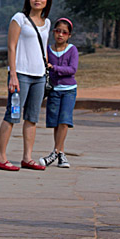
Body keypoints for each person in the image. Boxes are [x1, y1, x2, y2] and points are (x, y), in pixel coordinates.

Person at [0, 0, 52, 172]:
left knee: (32, 118)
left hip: (39, 77)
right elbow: (11, 47)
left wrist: (46, 66)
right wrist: (13, 75)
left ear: (47, 0)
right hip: (21, 76)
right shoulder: (20, 19)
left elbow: (43, 47)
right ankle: (1, 157)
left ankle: (27, 157)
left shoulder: (47, 23)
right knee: (13, 115)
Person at [39, 18, 78, 168]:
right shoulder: (48, 49)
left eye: (64, 32)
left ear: (69, 35)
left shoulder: (72, 50)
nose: (60, 35)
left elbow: (72, 69)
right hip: (54, 90)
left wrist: (54, 68)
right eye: (58, 31)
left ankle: (55, 152)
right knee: (55, 122)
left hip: (68, 90)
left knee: (64, 120)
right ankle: (60, 153)